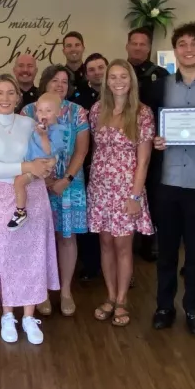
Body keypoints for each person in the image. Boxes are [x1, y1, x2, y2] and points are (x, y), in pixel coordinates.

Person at [149, 22, 195, 337]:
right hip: (166, 181)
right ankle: (165, 306)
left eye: (194, 44)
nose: (188, 49)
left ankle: (193, 308)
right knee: (165, 250)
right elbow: (147, 126)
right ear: (175, 49)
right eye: (182, 44)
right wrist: (155, 140)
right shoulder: (159, 86)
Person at [0, 75, 58, 345]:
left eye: (11, 93)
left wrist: (44, 166)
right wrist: (27, 167)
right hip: (3, 194)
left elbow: (48, 153)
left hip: (34, 193)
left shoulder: (30, 123)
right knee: (7, 255)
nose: (6, 98)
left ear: (18, 97)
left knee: (33, 255)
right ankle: (8, 314)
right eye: (0, 93)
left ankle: (29, 316)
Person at [88, 59, 154, 327]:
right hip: (100, 188)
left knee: (123, 247)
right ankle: (111, 295)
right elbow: (95, 149)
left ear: (131, 81)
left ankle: (123, 299)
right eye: (112, 77)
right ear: (106, 81)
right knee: (105, 244)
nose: (117, 81)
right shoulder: (96, 110)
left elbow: (144, 159)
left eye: (122, 77)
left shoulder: (142, 113)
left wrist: (135, 197)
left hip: (127, 188)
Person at [21, 65, 91, 317]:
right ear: (45, 83)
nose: (60, 85)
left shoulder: (77, 112)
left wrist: (65, 179)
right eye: (55, 80)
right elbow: (23, 148)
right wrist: (45, 177)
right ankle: (40, 292)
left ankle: (65, 291)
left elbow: (81, 150)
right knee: (38, 238)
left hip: (69, 184)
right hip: (36, 182)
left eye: (64, 81)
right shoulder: (28, 111)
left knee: (66, 237)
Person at [126, 27, 169, 263]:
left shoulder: (161, 75)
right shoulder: (119, 72)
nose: (138, 48)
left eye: (143, 44)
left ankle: (149, 239)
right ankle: (127, 241)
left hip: (152, 142)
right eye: (134, 43)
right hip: (122, 145)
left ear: (149, 47)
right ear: (127, 46)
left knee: (151, 190)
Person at [71, 53, 108, 281]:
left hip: (109, 166)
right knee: (88, 218)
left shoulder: (117, 94)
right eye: (91, 69)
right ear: (86, 73)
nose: (96, 72)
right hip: (84, 164)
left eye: (100, 67)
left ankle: (115, 268)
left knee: (110, 221)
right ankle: (90, 265)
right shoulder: (78, 98)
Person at [11, 92, 64, 230]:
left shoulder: (56, 130)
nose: (43, 114)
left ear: (58, 113)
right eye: (40, 110)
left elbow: (50, 151)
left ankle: (21, 211)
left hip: (42, 164)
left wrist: (44, 136)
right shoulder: (38, 126)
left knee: (19, 182)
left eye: (48, 110)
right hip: (31, 163)